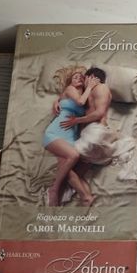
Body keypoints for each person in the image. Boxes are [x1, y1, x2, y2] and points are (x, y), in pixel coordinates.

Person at [44, 65, 97, 206]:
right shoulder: (70, 89)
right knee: (73, 156)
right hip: (55, 132)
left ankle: (86, 197)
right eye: (75, 77)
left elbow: (66, 100)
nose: (78, 78)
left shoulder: (85, 95)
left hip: (71, 137)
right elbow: (79, 101)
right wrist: (89, 87)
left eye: (81, 77)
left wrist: (57, 101)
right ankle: (54, 189)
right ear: (70, 82)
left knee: (68, 170)